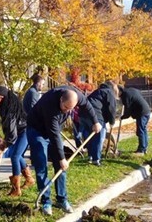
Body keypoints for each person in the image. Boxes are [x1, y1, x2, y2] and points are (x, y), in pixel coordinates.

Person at [27, 85, 101, 216]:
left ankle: (62, 199)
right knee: (41, 165)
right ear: (61, 99)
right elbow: (54, 135)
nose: (67, 111)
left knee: (61, 167)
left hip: (53, 130)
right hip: (37, 130)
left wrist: (95, 122)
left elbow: (88, 106)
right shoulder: (50, 105)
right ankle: (46, 201)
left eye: (71, 109)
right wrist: (62, 158)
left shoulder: (76, 96)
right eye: (66, 108)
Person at [0, 85, 35, 197]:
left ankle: (16, 189)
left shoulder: (9, 111)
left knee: (15, 156)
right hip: (19, 132)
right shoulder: (4, 106)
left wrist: (3, 147)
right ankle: (29, 179)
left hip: (24, 132)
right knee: (17, 156)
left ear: (0, 97)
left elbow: (12, 134)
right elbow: (10, 130)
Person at [80, 80, 119, 166]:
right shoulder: (109, 92)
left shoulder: (97, 91)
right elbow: (111, 108)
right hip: (96, 115)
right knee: (99, 137)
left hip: (83, 114)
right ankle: (96, 159)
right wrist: (112, 121)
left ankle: (91, 156)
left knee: (89, 137)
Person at [118, 86, 151, 155]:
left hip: (141, 112)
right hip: (147, 110)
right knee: (143, 129)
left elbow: (128, 109)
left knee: (140, 131)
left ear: (119, 91)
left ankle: (141, 150)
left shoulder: (125, 95)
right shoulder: (131, 90)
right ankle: (144, 148)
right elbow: (138, 95)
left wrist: (123, 117)